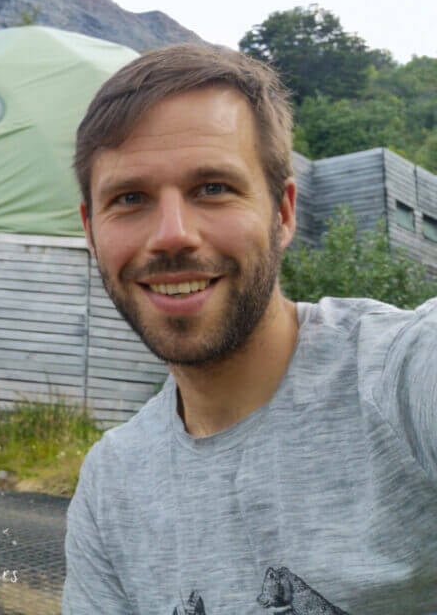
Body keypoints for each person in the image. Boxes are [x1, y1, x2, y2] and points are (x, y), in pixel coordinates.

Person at [63, 44, 437, 614]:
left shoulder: (400, 378)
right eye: (130, 198)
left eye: (212, 188)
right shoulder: (110, 486)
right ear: (91, 230)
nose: (172, 234)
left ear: (283, 213)